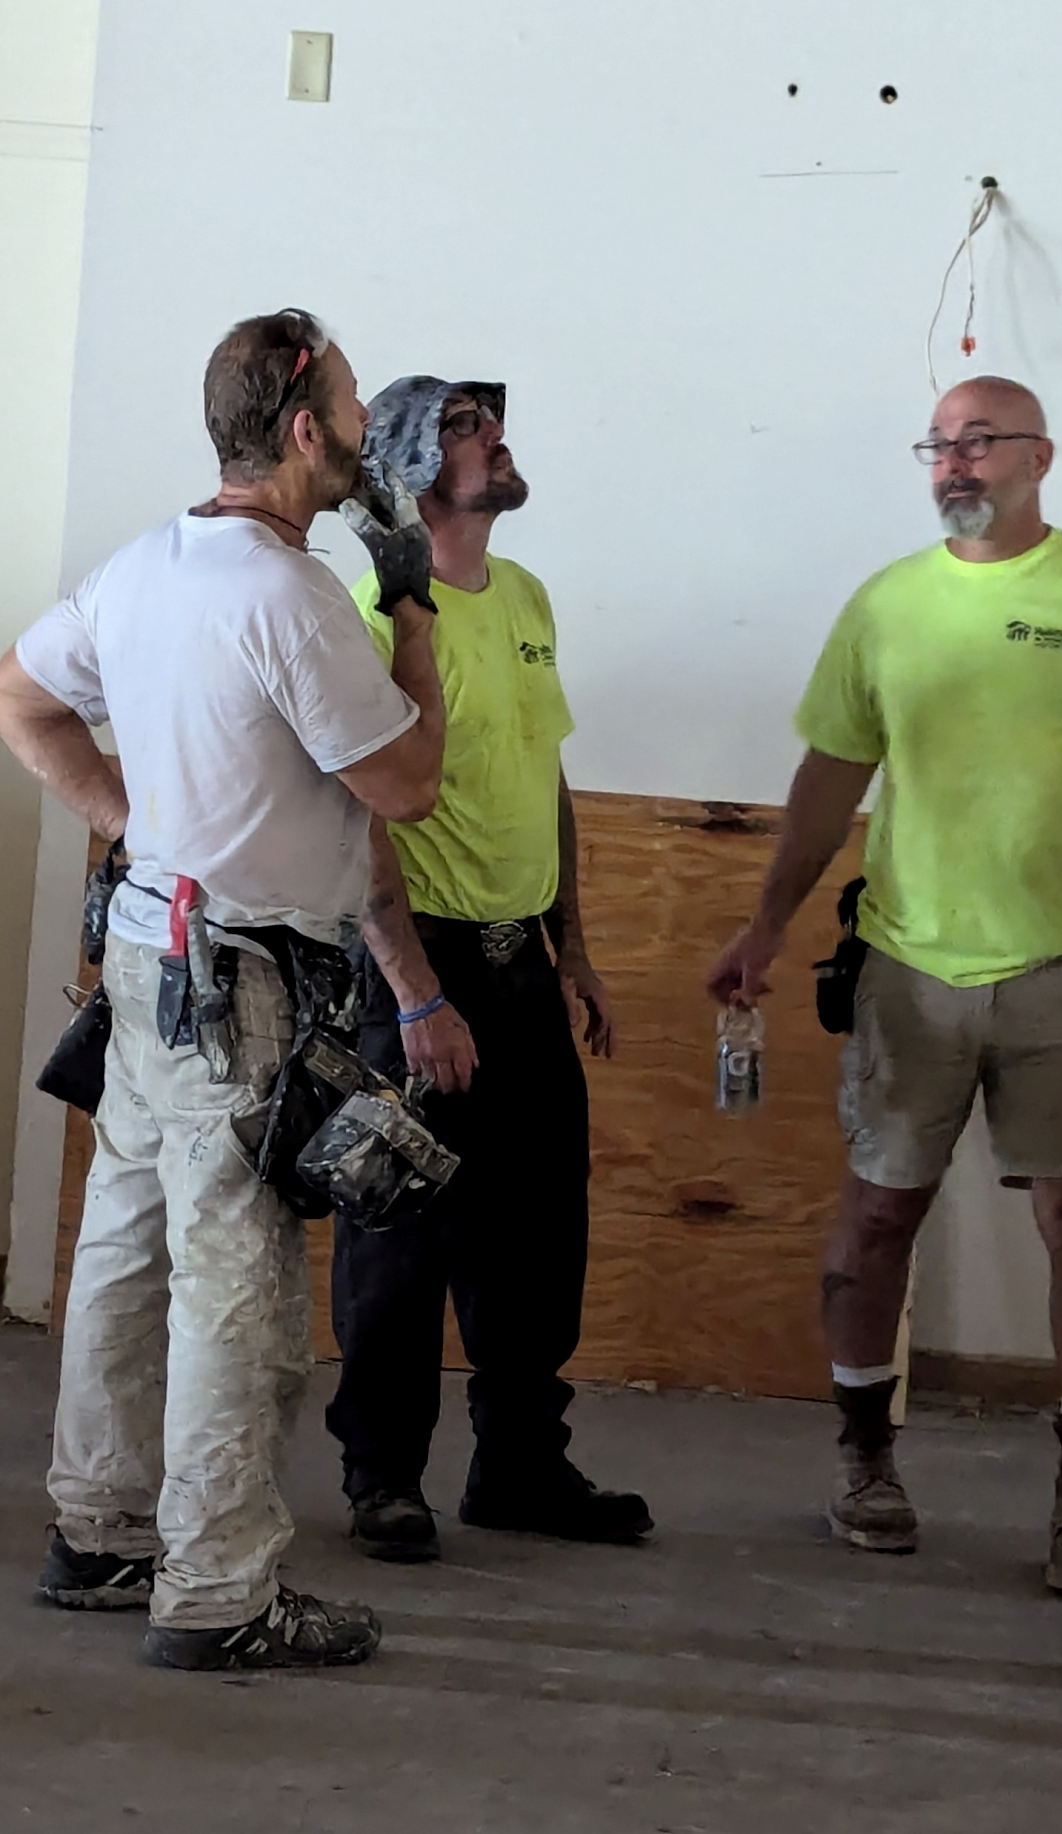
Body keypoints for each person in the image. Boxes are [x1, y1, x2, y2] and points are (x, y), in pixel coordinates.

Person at [707, 376, 1062, 1597]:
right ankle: (862, 1461)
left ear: (1038, 457)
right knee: (881, 1213)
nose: (953, 464)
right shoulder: (886, 606)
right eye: (935, 445)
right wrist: (764, 924)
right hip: (908, 966)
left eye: (977, 441)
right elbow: (830, 781)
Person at [0, 309, 446, 1670]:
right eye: (360, 414)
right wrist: (413, 599)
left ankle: (99, 1528)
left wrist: (124, 816)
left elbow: (22, 698)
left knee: (125, 1258)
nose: (371, 437)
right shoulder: (291, 594)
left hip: (146, 961)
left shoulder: (142, 567)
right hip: (243, 988)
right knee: (233, 1285)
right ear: (307, 431)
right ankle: (217, 1591)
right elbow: (410, 782)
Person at [323, 373, 653, 1561]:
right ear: (412, 470)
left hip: (520, 968)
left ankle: (519, 1465)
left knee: (534, 1235)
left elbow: (541, 774)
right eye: (466, 429)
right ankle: (382, 1477)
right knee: (398, 1238)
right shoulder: (369, 611)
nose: (497, 440)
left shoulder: (523, 594)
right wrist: (414, 990)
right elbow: (356, 812)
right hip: (420, 968)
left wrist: (576, 948)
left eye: (492, 421)